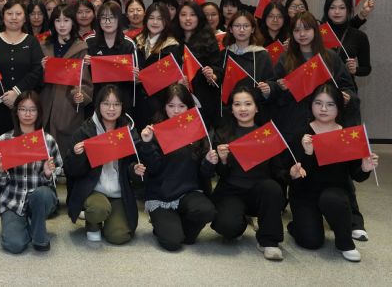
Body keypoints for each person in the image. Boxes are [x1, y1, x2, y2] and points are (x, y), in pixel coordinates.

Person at [287, 83, 378, 262]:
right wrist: (306, 154)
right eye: (318, 103)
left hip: (335, 192)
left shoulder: (347, 135)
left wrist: (365, 168)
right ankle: (297, 224)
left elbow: (356, 175)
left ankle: (345, 242)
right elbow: (295, 177)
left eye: (330, 104)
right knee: (311, 241)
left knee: (332, 199)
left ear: (339, 107)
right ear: (311, 105)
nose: (323, 109)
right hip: (305, 193)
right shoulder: (301, 134)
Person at [211, 86, 299, 261]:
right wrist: (222, 160)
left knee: (272, 188)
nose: (243, 109)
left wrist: (291, 173)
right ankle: (242, 220)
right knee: (227, 228)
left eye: (248, 104)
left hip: (260, 192)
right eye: (237, 104)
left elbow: (277, 170)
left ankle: (269, 241)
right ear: (232, 109)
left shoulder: (266, 134)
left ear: (257, 108)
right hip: (231, 191)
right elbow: (220, 173)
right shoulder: (222, 134)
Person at [137, 84, 218, 251]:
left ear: (189, 107)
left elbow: (205, 173)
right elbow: (153, 168)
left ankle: (176, 222)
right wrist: (147, 143)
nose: (176, 111)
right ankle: (162, 222)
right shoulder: (155, 130)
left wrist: (209, 161)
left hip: (188, 192)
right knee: (173, 242)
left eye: (181, 106)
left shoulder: (196, 129)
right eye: (171, 105)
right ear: (164, 107)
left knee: (203, 216)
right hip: (161, 196)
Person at [64, 85, 140, 245]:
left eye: (116, 104)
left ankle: (109, 219)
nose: (111, 109)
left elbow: (134, 163)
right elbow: (71, 171)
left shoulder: (128, 132)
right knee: (98, 209)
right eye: (106, 103)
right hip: (94, 190)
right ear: (98, 105)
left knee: (119, 236)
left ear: (122, 107)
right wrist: (77, 156)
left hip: (119, 193)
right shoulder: (84, 131)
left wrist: (135, 169)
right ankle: (93, 222)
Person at [0, 91, 61, 253]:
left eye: (32, 109)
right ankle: (28, 223)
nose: (28, 114)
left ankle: (40, 238)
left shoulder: (47, 140)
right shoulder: (5, 140)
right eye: (23, 109)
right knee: (14, 245)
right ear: (16, 112)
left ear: (39, 112)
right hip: (13, 199)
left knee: (41, 194)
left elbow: (56, 177)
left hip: (40, 198)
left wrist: (47, 173)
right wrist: (0, 169)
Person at [268, 12, 356, 137]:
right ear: (292, 33)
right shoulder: (285, 58)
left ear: (315, 30)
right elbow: (273, 88)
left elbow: (348, 87)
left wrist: (346, 96)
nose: (302, 34)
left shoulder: (330, 57)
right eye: (297, 30)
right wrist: (279, 87)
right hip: (294, 122)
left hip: (326, 122)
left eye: (307, 29)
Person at [0, 0, 44, 149]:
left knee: (23, 147)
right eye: (9, 13)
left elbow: (37, 70)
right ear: (3, 16)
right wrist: (5, 96)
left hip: (24, 106)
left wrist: (17, 92)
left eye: (18, 14)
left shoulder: (32, 42)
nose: (14, 17)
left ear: (25, 18)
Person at [40, 4, 92, 156]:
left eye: (66, 20)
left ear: (73, 22)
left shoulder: (81, 48)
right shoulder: (44, 46)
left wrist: (81, 95)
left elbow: (85, 82)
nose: (62, 25)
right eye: (58, 20)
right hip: (45, 104)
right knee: (44, 152)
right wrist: (41, 70)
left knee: (66, 152)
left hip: (68, 105)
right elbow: (34, 80)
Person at [133, 3, 182, 131]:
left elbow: (173, 79)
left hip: (159, 103)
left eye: (160, 19)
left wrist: (147, 79)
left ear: (166, 21)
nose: (155, 22)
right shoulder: (135, 42)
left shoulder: (172, 46)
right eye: (151, 18)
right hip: (136, 102)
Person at [220, 10, 274, 123]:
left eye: (246, 26)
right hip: (228, 113)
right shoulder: (224, 54)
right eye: (237, 26)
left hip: (255, 115)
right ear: (231, 29)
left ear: (253, 29)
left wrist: (268, 88)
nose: (241, 30)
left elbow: (271, 81)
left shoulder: (262, 55)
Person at [176, 3, 222, 129]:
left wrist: (212, 75)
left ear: (199, 17)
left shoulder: (209, 40)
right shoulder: (172, 41)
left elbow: (218, 69)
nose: (188, 18)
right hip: (177, 99)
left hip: (203, 98)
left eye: (192, 15)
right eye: (183, 15)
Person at [85, 1, 137, 111]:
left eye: (112, 18)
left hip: (121, 100)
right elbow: (82, 75)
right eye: (104, 18)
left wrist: (135, 74)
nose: (107, 22)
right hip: (95, 99)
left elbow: (135, 78)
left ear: (119, 20)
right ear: (99, 20)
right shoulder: (89, 42)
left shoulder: (128, 44)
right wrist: (83, 63)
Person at [322, 0, 371, 90]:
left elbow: (366, 69)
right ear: (327, 10)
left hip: (346, 88)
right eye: (332, 8)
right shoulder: (318, 32)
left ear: (349, 10)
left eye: (342, 8)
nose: (337, 12)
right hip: (319, 88)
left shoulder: (359, 36)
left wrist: (355, 70)